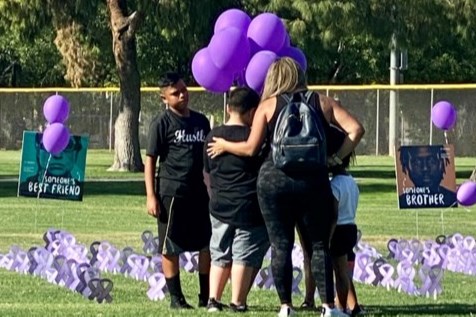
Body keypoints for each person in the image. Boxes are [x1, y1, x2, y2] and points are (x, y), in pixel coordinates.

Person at [207, 57, 365, 317]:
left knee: (280, 244)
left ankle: (285, 306)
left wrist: (224, 145)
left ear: (273, 79)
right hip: (312, 181)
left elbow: (251, 148)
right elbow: (356, 129)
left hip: (273, 180)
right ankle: (327, 306)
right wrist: (333, 158)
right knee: (317, 245)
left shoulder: (268, 105)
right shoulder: (322, 101)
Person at [144, 72, 212, 309]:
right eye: (176, 93)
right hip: (172, 192)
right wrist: (151, 196)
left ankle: (206, 297)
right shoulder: (161, 124)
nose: (183, 95)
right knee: (170, 245)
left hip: (199, 193)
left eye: (184, 89)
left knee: (206, 244)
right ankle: (177, 298)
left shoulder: (202, 122)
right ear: (165, 98)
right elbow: (150, 160)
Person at [203, 87, 270, 312]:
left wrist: (213, 194)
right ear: (253, 112)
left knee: (219, 251)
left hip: (220, 204)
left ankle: (213, 299)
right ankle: (237, 302)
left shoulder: (213, 136)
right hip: (248, 206)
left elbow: (207, 172)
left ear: (228, 108)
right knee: (244, 253)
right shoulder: (255, 137)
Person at [300, 126, 364, 317]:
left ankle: (341, 307)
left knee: (337, 271)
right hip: (351, 227)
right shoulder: (351, 182)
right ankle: (345, 306)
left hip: (338, 230)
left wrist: (327, 237)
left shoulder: (334, 185)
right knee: (343, 271)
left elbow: (333, 214)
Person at [18, 133, 85, 201]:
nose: (57, 155)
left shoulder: (82, 191)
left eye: (67, 146)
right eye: (48, 145)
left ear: (76, 153)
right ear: (38, 151)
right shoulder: (25, 189)